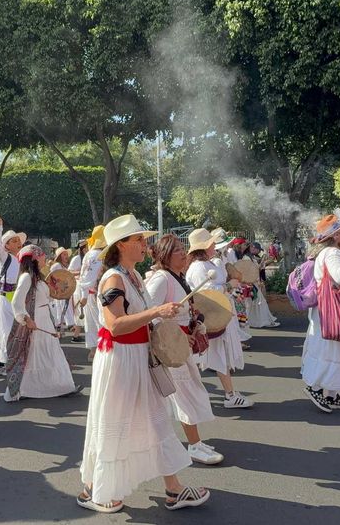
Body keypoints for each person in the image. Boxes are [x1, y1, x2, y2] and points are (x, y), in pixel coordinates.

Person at [77, 214, 209, 513]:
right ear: (121, 245)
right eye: (138, 240)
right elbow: (115, 325)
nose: (144, 245)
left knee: (154, 422)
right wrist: (156, 312)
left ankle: (172, 489)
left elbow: (141, 321)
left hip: (139, 358)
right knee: (116, 424)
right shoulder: (114, 278)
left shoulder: (133, 276)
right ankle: (97, 488)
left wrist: (167, 325)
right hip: (122, 360)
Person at [145, 234, 224, 466]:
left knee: (188, 392)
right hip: (171, 350)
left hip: (182, 346)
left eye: (183, 248)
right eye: (178, 249)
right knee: (185, 395)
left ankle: (190, 443)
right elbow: (150, 315)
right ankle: (194, 445)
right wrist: (177, 335)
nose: (184, 253)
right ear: (165, 255)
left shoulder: (177, 277)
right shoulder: (160, 279)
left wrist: (195, 324)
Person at [185, 229, 255, 410]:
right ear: (205, 246)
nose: (215, 245)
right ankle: (228, 395)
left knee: (213, 356)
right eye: (212, 243)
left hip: (220, 314)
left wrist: (231, 287)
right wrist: (228, 286)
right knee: (214, 355)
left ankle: (223, 394)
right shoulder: (199, 267)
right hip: (210, 317)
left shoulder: (208, 264)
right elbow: (206, 294)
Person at [3, 245, 77, 402]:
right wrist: (25, 318)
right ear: (35, 258)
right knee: (35, 354)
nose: (45, 257)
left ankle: (61, 386)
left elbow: (45, 298)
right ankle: (27, 389)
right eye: (42, 255)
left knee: (48, 352)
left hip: (44, 318)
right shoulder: (27, 277)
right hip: (35, 320)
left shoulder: (37, 277)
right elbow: (16, 302)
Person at [302, 215, 340, 413]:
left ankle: (332, 394)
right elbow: (339, 276)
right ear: (335, 235)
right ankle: (315, 387)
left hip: (327, 309)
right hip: (331, 310)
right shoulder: (332, 252)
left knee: (336, 349)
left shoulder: (329, 251)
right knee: (332, 349)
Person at [0, 214, 26, 376]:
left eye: (18, 241)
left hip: (17, 297)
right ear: (6, 246)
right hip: (5, 296)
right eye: (13, 241)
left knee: (19, 330)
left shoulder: (22, 260)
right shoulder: (4, 257)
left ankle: (11, 360)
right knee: (6, 330)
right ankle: (3, 363)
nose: (18, 243)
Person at [77, 226, 106, 360]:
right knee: (101, 322)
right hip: (97, 293)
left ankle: (94, 350)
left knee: (92, 323)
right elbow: (89, 277)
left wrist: (83, 295)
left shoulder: (89, 253)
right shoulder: (98, 255)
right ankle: (102, 350)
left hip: (89, 292)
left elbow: (84, 276)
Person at [49, 247, 75, 333]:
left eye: (67, 254)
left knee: (65, 306)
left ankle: (64, 324)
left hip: (65, 289)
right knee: (61, 306)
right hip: (59, 290)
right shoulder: (57, 265)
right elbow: (51, 277)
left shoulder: (64, 266)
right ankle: (66, 324)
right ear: (60, 256)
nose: (66, 256)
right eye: (64, 254)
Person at [67, 240, 86, 343]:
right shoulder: (76, 258)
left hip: (86, 286)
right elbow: (69, 272)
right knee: (80, 311)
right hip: (79, 286)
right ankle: (76, 335)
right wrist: (80, 272)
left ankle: (77, 335)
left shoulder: (89, 258)